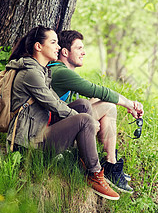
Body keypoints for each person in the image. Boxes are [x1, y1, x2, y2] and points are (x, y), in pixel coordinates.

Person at [6, 25, 119, 200]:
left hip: (40, 129)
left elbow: (58, 102)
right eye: (53, 42)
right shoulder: (31, 74)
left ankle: (83, 159)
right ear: (38, 46)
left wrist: (84, 116)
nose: (58, 47)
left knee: (82, 105)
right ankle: (95, 174)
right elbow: (55, 105)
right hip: (30, 144)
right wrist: (88, 121)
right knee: (84, 120)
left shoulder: (41, 71)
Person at [48, 30, 144, 193]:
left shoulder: (58, 70)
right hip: (51, 131)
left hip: (58, 122)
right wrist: (129, 104)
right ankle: (110, 166)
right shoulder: (61, 72)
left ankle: (110, 163)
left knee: (105, 104)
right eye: (79, 48)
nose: (84, 52)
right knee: (108, 105)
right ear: (65, 52)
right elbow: (97, 90)